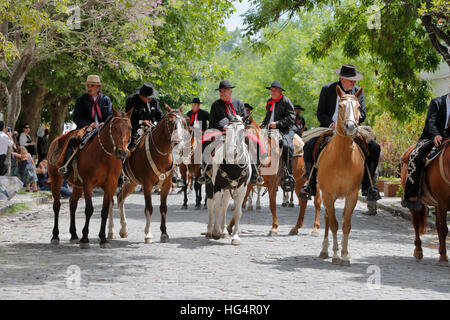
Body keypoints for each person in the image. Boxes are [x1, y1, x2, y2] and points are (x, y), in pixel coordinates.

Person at [299, 64, 381, 201]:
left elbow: (363, 114)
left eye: (354, 80)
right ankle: (310, 184)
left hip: (352, 128)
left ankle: (368, 185)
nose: (354, 82)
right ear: (342, 78)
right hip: (330, 128)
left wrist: (353, 120)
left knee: (375, 147)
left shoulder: (357, 92)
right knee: (308, 147)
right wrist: (330, 122)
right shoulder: (327, 89)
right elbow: (320, 113)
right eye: (351, 79)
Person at [198, 80, 263, 185]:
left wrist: (240, 125)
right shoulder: (215, 105)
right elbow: (212, 122)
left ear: (230, 91)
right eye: (220, 91)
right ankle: (205, 172)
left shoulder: (239, 103)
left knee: (255, 140)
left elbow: (245, 119)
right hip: (220, 132)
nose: (222, 93)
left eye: (224, 91)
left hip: (238, 132)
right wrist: (223, 126)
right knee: (204, 140)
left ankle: (255, 173)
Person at [401, 93, 449, 211]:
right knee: (416, 155)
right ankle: (412, 195)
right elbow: (430, 122)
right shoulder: (437, 102)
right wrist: (436, 135)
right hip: (432, 137)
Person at [58, 75, 112, 178]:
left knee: (117, 143)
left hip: (103, 129)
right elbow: (76, 117)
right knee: (72, 140)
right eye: (88, 85)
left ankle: (120, 174)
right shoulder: (81, 100)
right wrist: (88, 125)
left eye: (92, 85)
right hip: (86, 128)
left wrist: (103, 124)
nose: (89, 88)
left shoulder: (106, 100)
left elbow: (110, 115)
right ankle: (66, 167)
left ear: (98, 87)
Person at [261, 80, 296, 189]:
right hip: (269, 129)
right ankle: (257, 170)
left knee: (287, 146)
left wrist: (277, 124)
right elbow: (268, 117)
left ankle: (288, 173)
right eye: (271, 90)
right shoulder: (269, 101)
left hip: (284, 130)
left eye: (275, 90)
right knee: (256, 143)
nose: (272, 92)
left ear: (280, 91)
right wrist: (262, 125)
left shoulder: (286, 101)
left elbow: (291, 118)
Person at [125, 82, 163, 149]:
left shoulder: (153, 101)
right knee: (129, 144)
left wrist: (154, 123)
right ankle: (125, 158)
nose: (150, 99)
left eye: (151, 97)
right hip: (135, 128)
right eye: (148, 97)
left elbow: (160, 116)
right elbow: (128, 119)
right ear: (141, 95)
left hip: (153, 128)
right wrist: (142, 122)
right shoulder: (131, 100)